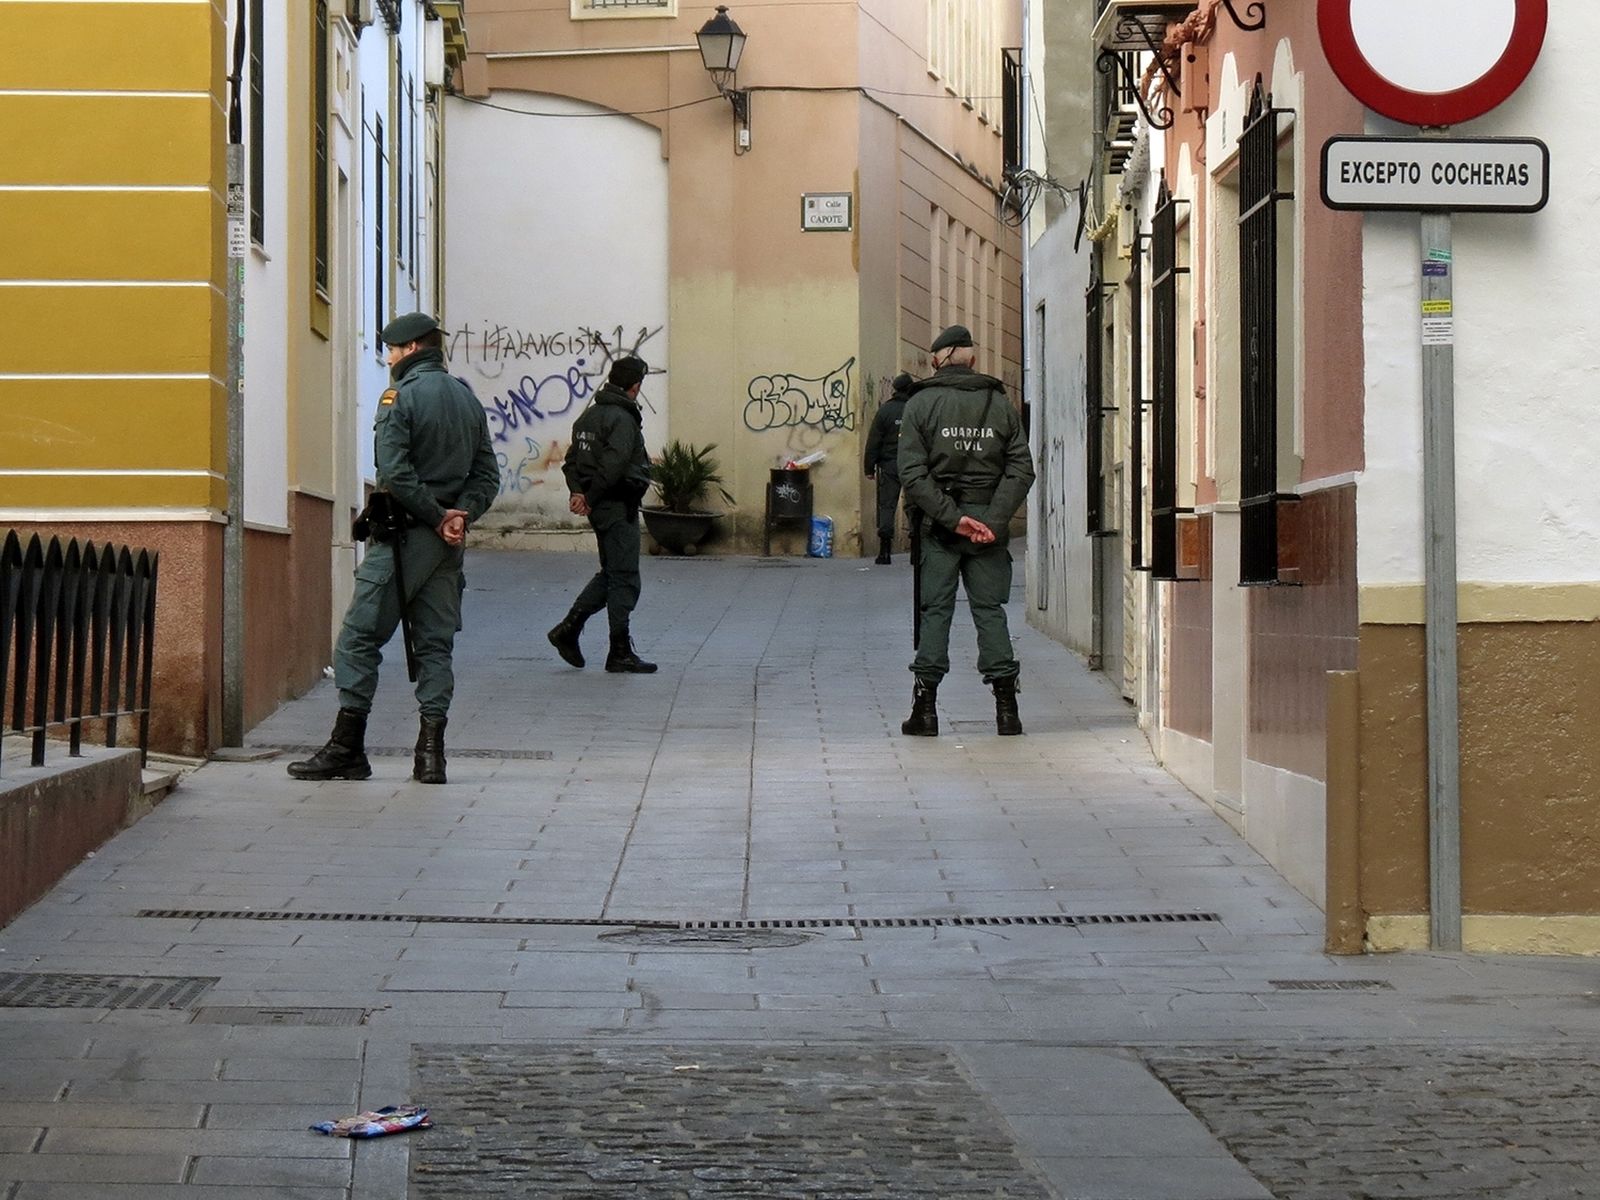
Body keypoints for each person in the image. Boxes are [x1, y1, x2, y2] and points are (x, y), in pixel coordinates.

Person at [289, 312, 500, 785]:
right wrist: (459, 515)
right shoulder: (467, 399)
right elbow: (487, 475)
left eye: (391, 350)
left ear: (409, 350)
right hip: (448, 547)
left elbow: (395, 471)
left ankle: (347, 747)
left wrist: (434, 516)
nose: (387, 358)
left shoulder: (399, 397)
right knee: (435, 646)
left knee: (358, 639)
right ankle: (430, 755)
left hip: (404, 539)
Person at [897, 324, 1036, 737]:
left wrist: (952, 518)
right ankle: (1007, 712)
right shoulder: (999, 402)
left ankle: (925, 711)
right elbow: (1021, 468)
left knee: (935, 611)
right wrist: (991, 520)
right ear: (973, 360)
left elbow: (911, 472)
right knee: (990, 611)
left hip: (940, 526)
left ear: (936, 360)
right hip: (988, 527)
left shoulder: (921, 405)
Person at [546, 355, 657, 674]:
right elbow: (614, 465)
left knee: (611, 572)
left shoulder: (589, 418)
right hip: (617, 505)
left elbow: (571, 462)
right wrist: (590, 497)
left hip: (601, 506)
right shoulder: (622, 419)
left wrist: (578, 492)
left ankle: (568, 630)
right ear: (635, 386)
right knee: (625, 578)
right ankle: (618, 651)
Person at [863, 372, 913, 564]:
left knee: (887, 506)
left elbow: (874, 441)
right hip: (913, 465)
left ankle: (884, 552)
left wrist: (869, 468)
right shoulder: (915, 409)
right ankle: (916, 550)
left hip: (890, 465)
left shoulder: (885, 411)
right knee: (914, 506)